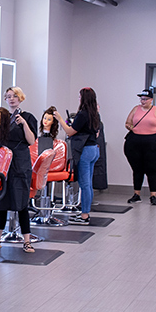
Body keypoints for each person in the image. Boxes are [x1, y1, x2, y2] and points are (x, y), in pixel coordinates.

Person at [0, 87, 37, 253]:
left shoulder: (27, 117)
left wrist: (24, 124)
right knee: (1, 201)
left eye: (14, 96)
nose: (11, 99)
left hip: (20, 163)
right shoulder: (3, 118)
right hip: (4, 164)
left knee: (22, 202)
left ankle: (27, 240)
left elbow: (31, 140)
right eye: (8, 97)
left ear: (20, 98)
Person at [54, 87, 101, 225]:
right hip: (94, 150)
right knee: (88, 184)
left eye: (80, 97)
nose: (79, 99)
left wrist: (61, 120)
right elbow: (96, 133)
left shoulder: (82, 114)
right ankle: (84, 212)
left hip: (85, 151)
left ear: (84, 99)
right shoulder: (95, 114)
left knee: (84, 184)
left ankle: (84, 215)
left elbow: (69, 132)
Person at [124, 88, 156, 205]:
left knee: (153, 170)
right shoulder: (135, 109)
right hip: (135, 143)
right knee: (137, 169)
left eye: (145, 99)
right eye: (141, 99)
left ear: (151, 100)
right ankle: (137, 194)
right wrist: (131, 128)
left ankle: (153, 196)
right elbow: (127, 123)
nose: (142, 101)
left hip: (153, 143)